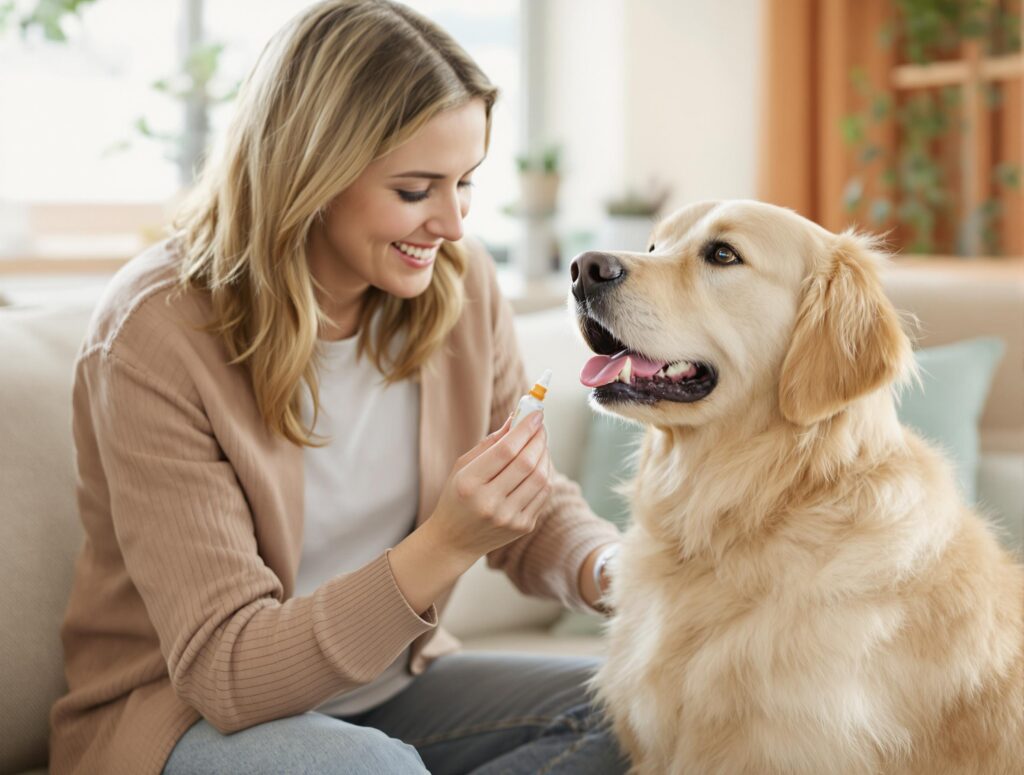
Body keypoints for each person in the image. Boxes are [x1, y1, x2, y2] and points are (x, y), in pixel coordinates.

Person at [49, 1, 626, 773]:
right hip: (184, 720)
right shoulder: (157, 334)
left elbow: (526, 500)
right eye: (417, 190)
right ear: (312, 173)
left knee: (644, 706)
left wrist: (614, 570)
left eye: (466, 182)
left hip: (392, 687)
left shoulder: (459, 284)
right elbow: (228, 671)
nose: (452, 224)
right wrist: (446, 541)